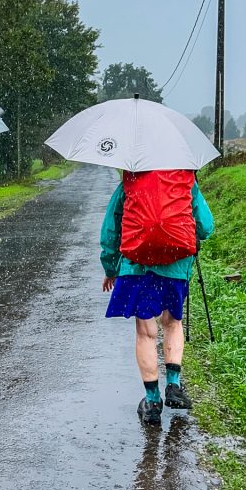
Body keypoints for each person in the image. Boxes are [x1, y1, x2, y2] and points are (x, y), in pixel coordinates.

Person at [100, 170, 214, 427]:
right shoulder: (185, 178)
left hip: (137, 265)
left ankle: (152, 402)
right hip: (175, 263)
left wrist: (110, 268)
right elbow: (206, 226)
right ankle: (173, 384)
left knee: (146, 332)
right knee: (172, 323)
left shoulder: (131, 178)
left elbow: (110, 228)